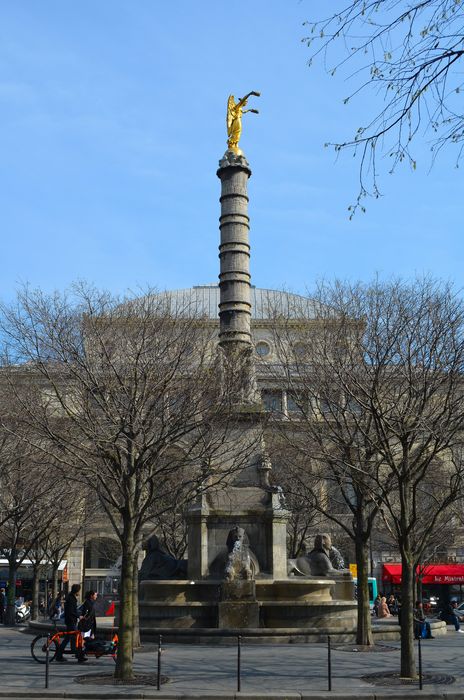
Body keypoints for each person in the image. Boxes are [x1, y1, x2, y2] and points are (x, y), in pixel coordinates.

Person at [55, 584, 87, 662]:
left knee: (69, 638)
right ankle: (78, 655)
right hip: (71, 621)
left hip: (70, 620)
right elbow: (71, 611)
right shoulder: (71, 599)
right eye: (79, 590)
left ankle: (61, 655)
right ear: (76, 591)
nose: (79, 592)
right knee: (74, 636)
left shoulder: (70, 597)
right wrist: (78, 616)